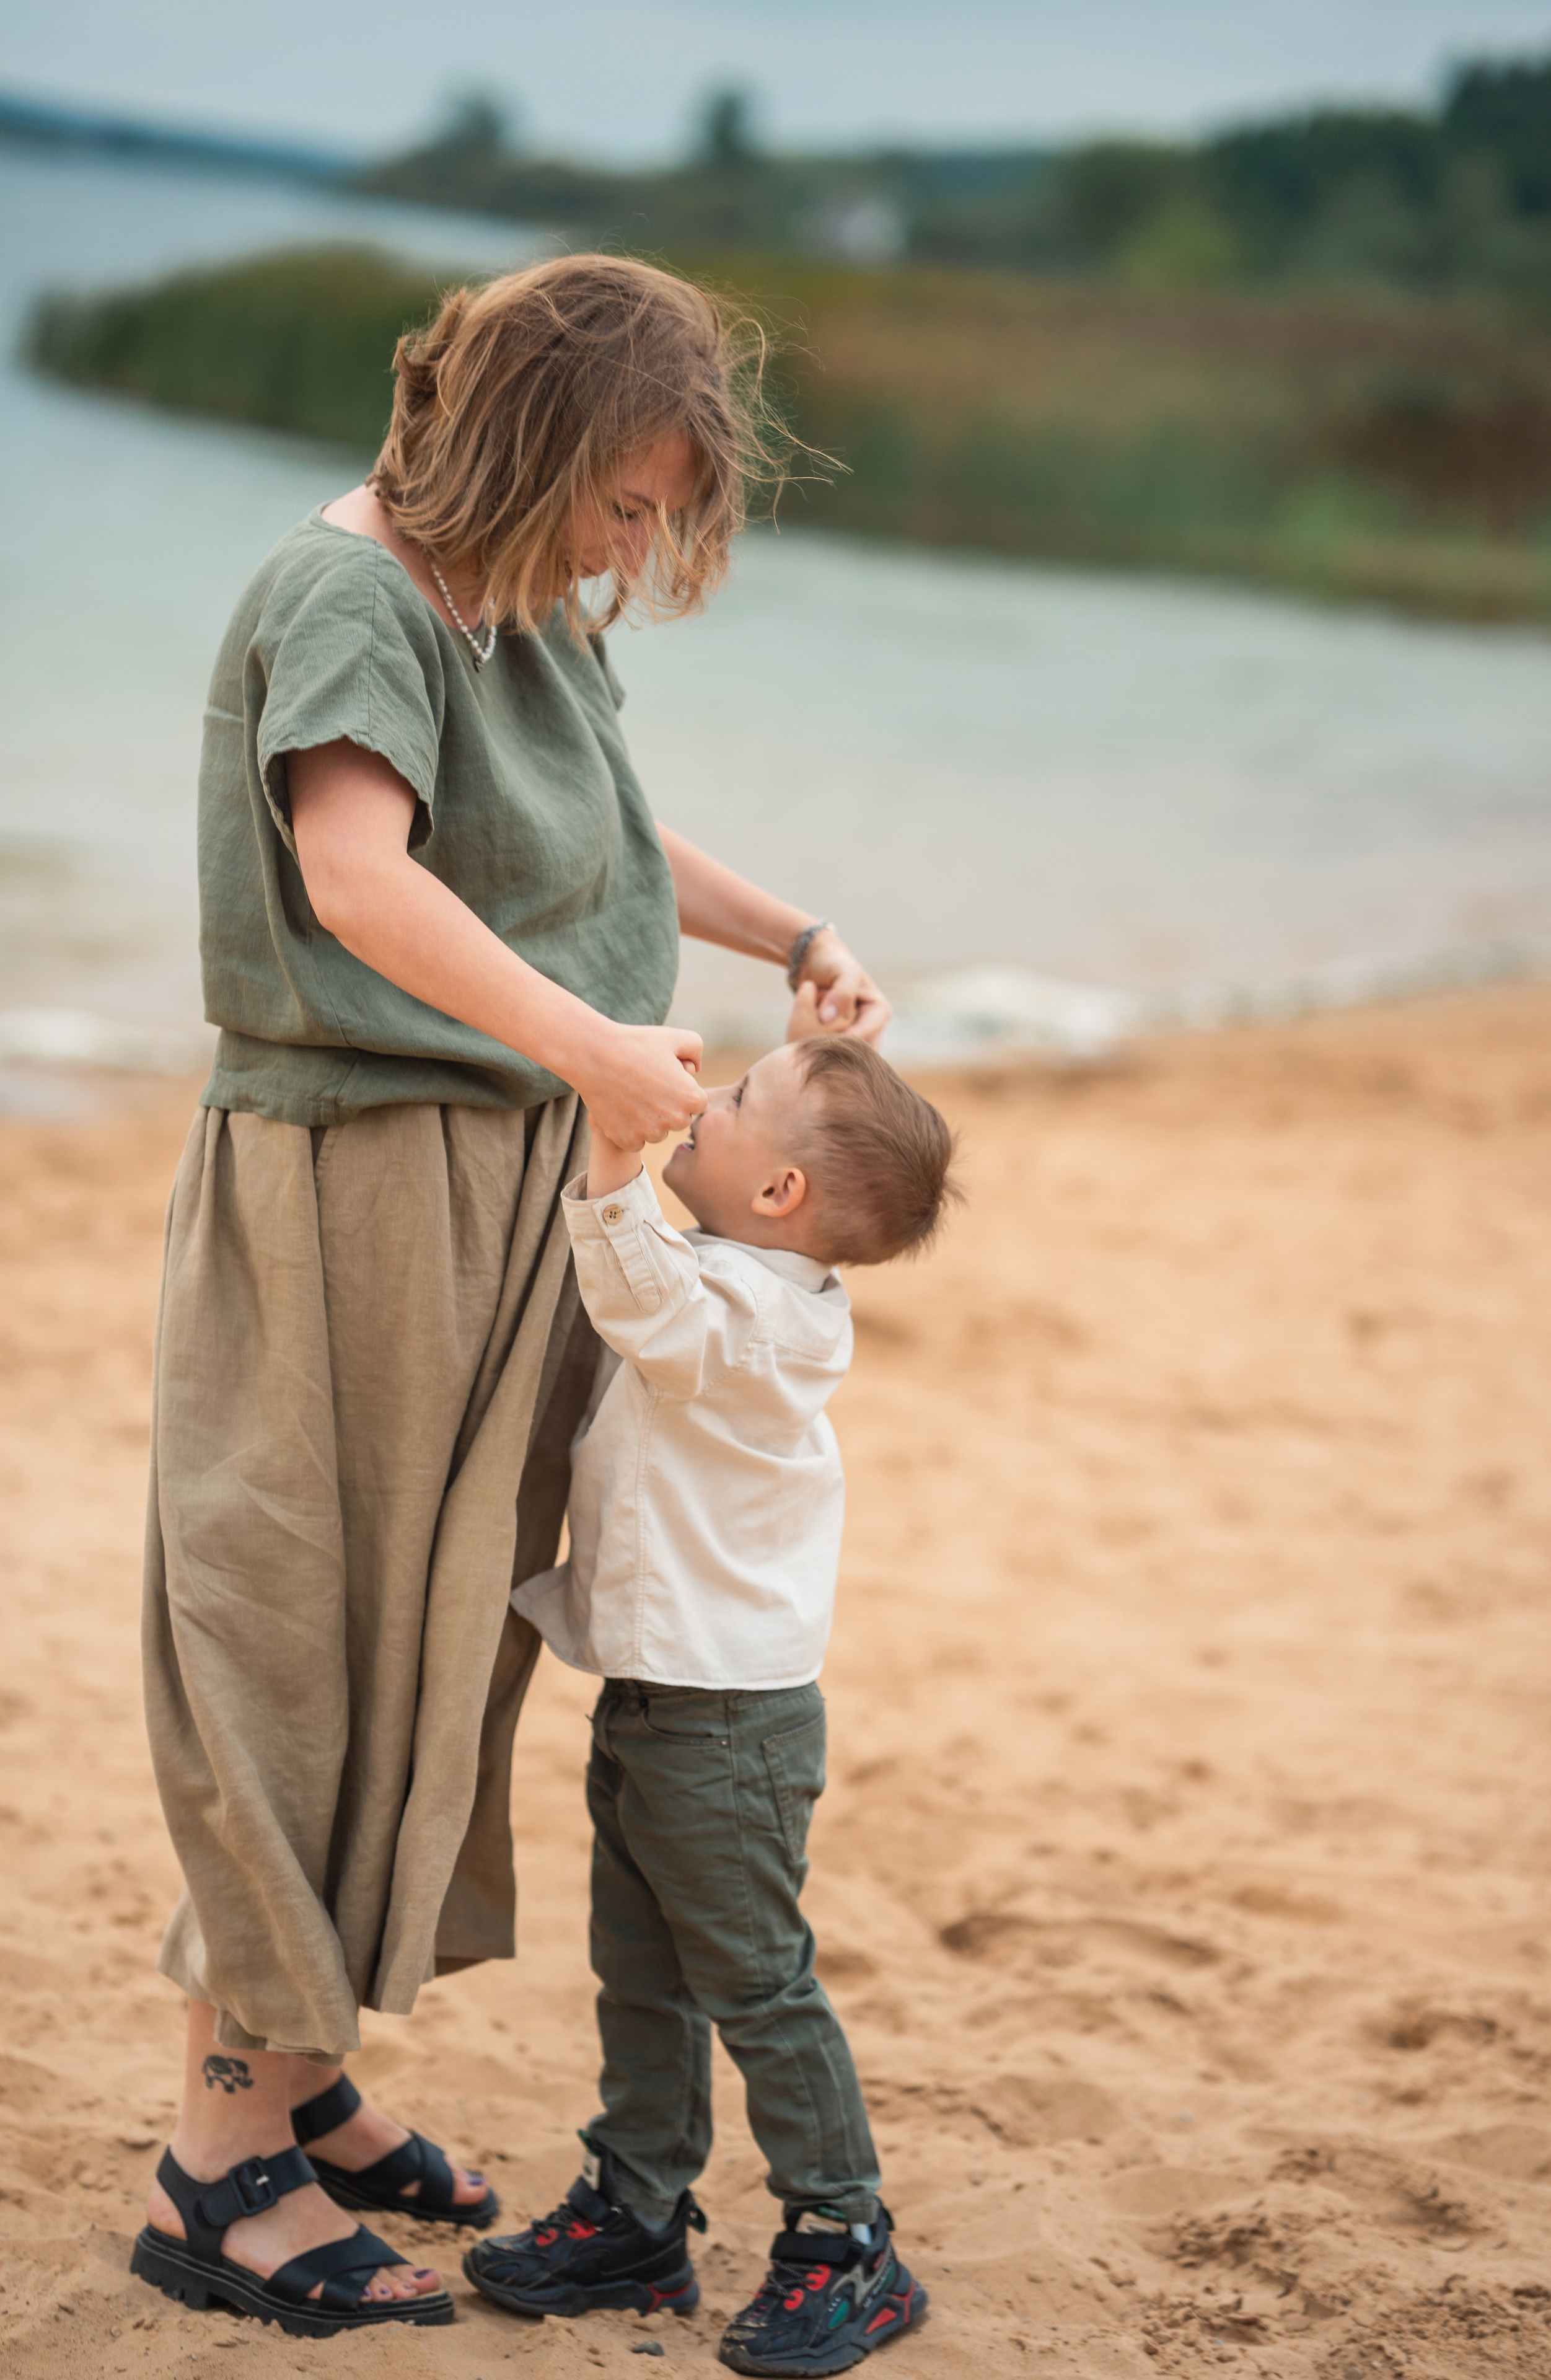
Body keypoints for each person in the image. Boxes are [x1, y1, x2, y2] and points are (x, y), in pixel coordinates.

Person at [131, 254, 892, 2340]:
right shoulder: (350, 598)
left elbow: (606, 835)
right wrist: (590, 1049)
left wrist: (790, 935)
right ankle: (219, 2159)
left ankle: (304, 2085)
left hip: (510, 1185)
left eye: (656, 516)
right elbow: (355, 879)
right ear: (532, 442)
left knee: (437, 1644)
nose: (631, 547)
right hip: (357, 1185)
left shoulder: (511, 601)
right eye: (621, 502)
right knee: (304, 1643)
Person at [464, 1033, 957, 2376]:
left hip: (725, 1729)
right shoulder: (736, 1278)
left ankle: (847, 2238)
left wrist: (614, 1138)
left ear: (781, 1193)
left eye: (737, 1099)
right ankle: (636, 2209)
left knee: (754, 1983)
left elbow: (641, 1297)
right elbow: (659, 1286)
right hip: (653, 1703)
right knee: (641, 1971)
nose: (709, 1098)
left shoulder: (764, 1325)